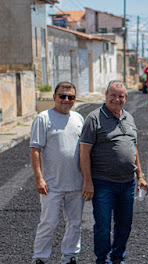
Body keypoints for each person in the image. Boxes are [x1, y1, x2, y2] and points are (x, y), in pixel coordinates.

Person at [79, 80, 148, 264]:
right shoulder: (94, 118)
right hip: (103, 183)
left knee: (124, 225)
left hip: (128, 183)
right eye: (113, 95)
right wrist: (87, 181)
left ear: (126, 97)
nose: (117, 99)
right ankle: (102, 259)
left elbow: (133, 148)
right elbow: (84, 152)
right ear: (106, 95)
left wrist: (140, 175)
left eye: (121, 96)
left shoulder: (129, 118)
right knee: (102, 225)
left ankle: (118, 258)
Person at [30, 81, 84, 264]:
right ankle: (40, 258)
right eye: (62, 96)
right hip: (51, 185)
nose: (66, 100)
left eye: (71, 97)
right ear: (54, 97)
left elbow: (84, 151)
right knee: (48, 223)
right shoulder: (43, 118)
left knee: (75, 223)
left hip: (76, 183)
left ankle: (69, 257)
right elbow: (35, 150)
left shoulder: (78, 119)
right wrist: (39, 179)